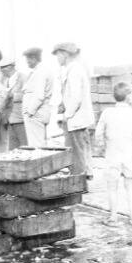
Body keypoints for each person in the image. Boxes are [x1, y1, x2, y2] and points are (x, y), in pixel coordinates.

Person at [95, 82, 132, 225]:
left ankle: (113, 217)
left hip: (112, 155)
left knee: (112, 187)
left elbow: (98, 135)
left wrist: (102, 148)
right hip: (130, 156)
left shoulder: (107, 113)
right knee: (131, 186)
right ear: (129, 97)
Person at [52, 42, 95, 176]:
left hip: (76, 120)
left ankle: (79, 181)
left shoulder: (74, 70)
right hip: (77, 119)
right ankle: (83, 176)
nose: (57, 58)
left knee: (77, 154)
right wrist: (63, 105)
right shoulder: (73, 69)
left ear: (65, 54)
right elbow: (71, 95)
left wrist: (67, 115)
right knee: (80, 151)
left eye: (58, 55)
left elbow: (76, 98)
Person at [21, 47, 54, 147]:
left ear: (34, 58)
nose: (27, 62)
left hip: (36, 114)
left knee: (36, 146)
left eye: (28, 59)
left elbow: (39, 96)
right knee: (39, 144)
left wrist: (29, 112)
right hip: (38, 113)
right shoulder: (39, 71)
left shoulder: (41, 72)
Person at [0, 58, 28, 150]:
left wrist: (12, 96)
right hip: (9, 119)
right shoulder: (4, 80)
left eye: (3, 67)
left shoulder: (23, 78)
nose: (1, 70)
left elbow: (27, 96)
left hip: (20, 119)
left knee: (25, 147)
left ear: (11, 67)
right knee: (13, 149)